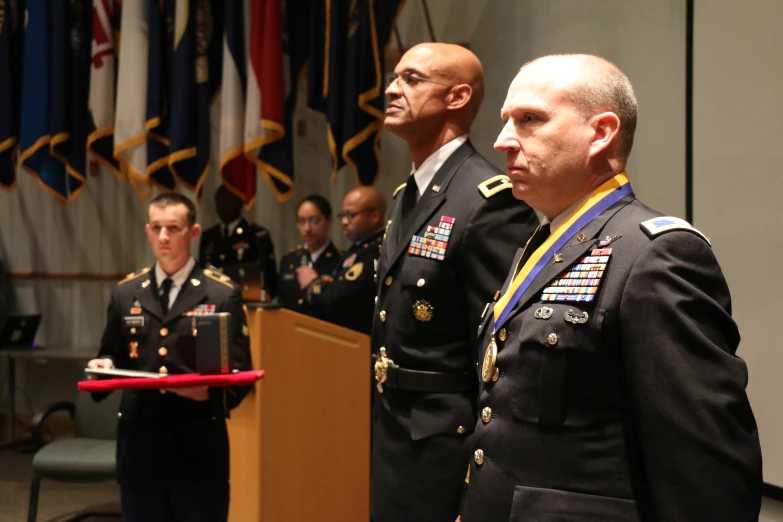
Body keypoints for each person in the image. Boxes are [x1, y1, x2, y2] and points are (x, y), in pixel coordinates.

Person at [460, 54, 762, 522]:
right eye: (505, 122)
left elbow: (706, 470)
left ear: (600, 133)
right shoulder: (542, 244)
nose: (502, 141)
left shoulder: (654, 255)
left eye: (530, 120)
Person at [371, 43, 539, 522]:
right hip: (394, 428)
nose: (391, 89)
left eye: (411, 79)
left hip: (447, 445)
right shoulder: (409, 194)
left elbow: (499, 353)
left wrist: (484, 477)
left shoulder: (488, 201)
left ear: (458, 96)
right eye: (393, 77)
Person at [87, 193, 252, 522]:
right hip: (140, 450)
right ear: (148, 231)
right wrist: (102, 365)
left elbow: (241, 374)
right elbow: (111, 353)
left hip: (197, 448)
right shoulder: (125, 293)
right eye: (157, 228)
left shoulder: (221, 293)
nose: (164, 237)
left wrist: (208, 394)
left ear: (193, 233)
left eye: (174, 228)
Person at [297, 186, 386, 334]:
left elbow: (337, 301)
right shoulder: (359, 248)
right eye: (343, 215)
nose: (344, 221)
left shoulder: (374, 252)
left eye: (351, 215)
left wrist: (313, 282)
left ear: (375, 216)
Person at [199, 184, 278, 299]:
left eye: (227, 200)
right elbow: (202, 271)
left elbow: (269, 277)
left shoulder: (256, 234)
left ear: (240, 202)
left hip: (246, 301)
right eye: (218, 201)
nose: (221, 205)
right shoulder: (209, 236)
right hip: (214, 300)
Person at [278, 194, 341, 314]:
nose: (307, 228)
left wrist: (315, 281)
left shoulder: (340, 260)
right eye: (301, 222)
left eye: (314, 221)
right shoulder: (289, 260)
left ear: (329, 221)